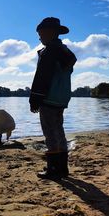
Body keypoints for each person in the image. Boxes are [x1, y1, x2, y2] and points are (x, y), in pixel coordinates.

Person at [29, 17, 77, 180]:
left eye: (41, 33)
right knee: (58, 131)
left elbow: (42, 77)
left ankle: (54, 169)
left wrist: (34, 99)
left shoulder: (49, 52)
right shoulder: (65, 52)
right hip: (61, 99)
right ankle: (62, 168)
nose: (39, 37)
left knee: (50, 133)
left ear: (50, 33)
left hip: (48, 98)